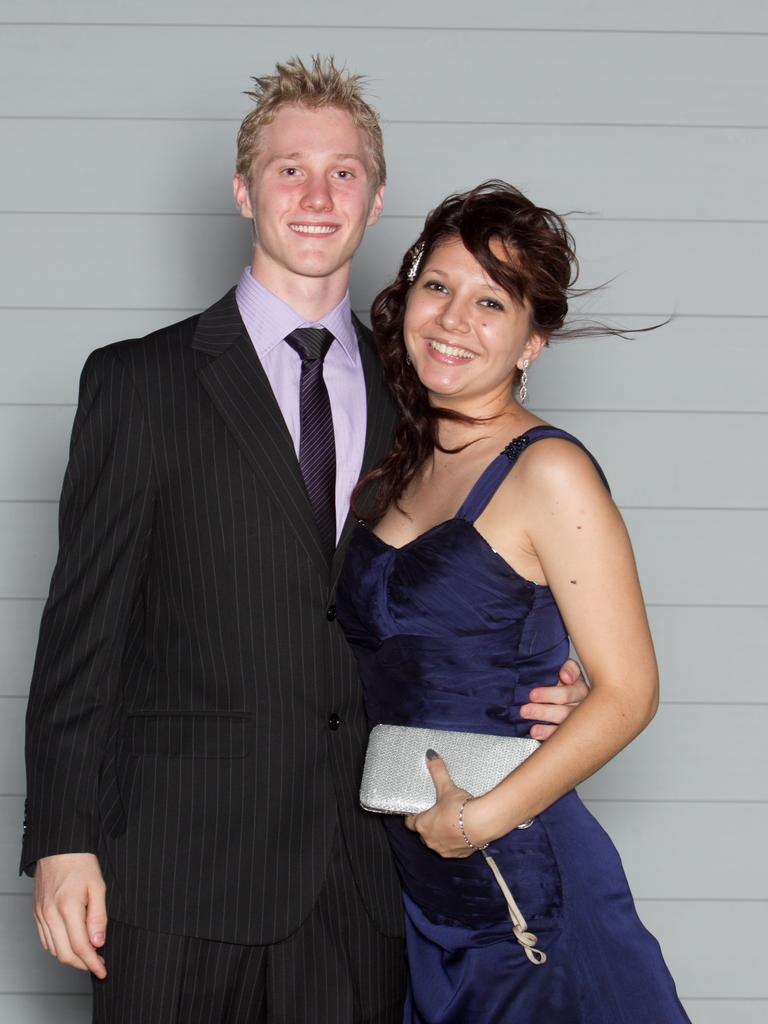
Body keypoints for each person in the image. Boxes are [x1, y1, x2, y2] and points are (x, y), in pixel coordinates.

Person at [21, 60, 587, 1023]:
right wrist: (62, 841)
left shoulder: (428, 398)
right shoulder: (138, 384)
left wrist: (537, 675)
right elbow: (83, 636)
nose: (316, 196)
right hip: (174, 879)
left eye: (343, 172)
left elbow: (470, 581)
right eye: (290, 170)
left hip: (363, 880)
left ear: (376, 201)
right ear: (245, 192)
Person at [335, 181, 691, 1022]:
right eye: (439, 287)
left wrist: (481, 820)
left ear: (533, 341)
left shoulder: (548, 471)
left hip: (523, 882)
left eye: (491, 302)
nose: (454, 320)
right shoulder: (395, 462)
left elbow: (629, 692)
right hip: (413, 890)